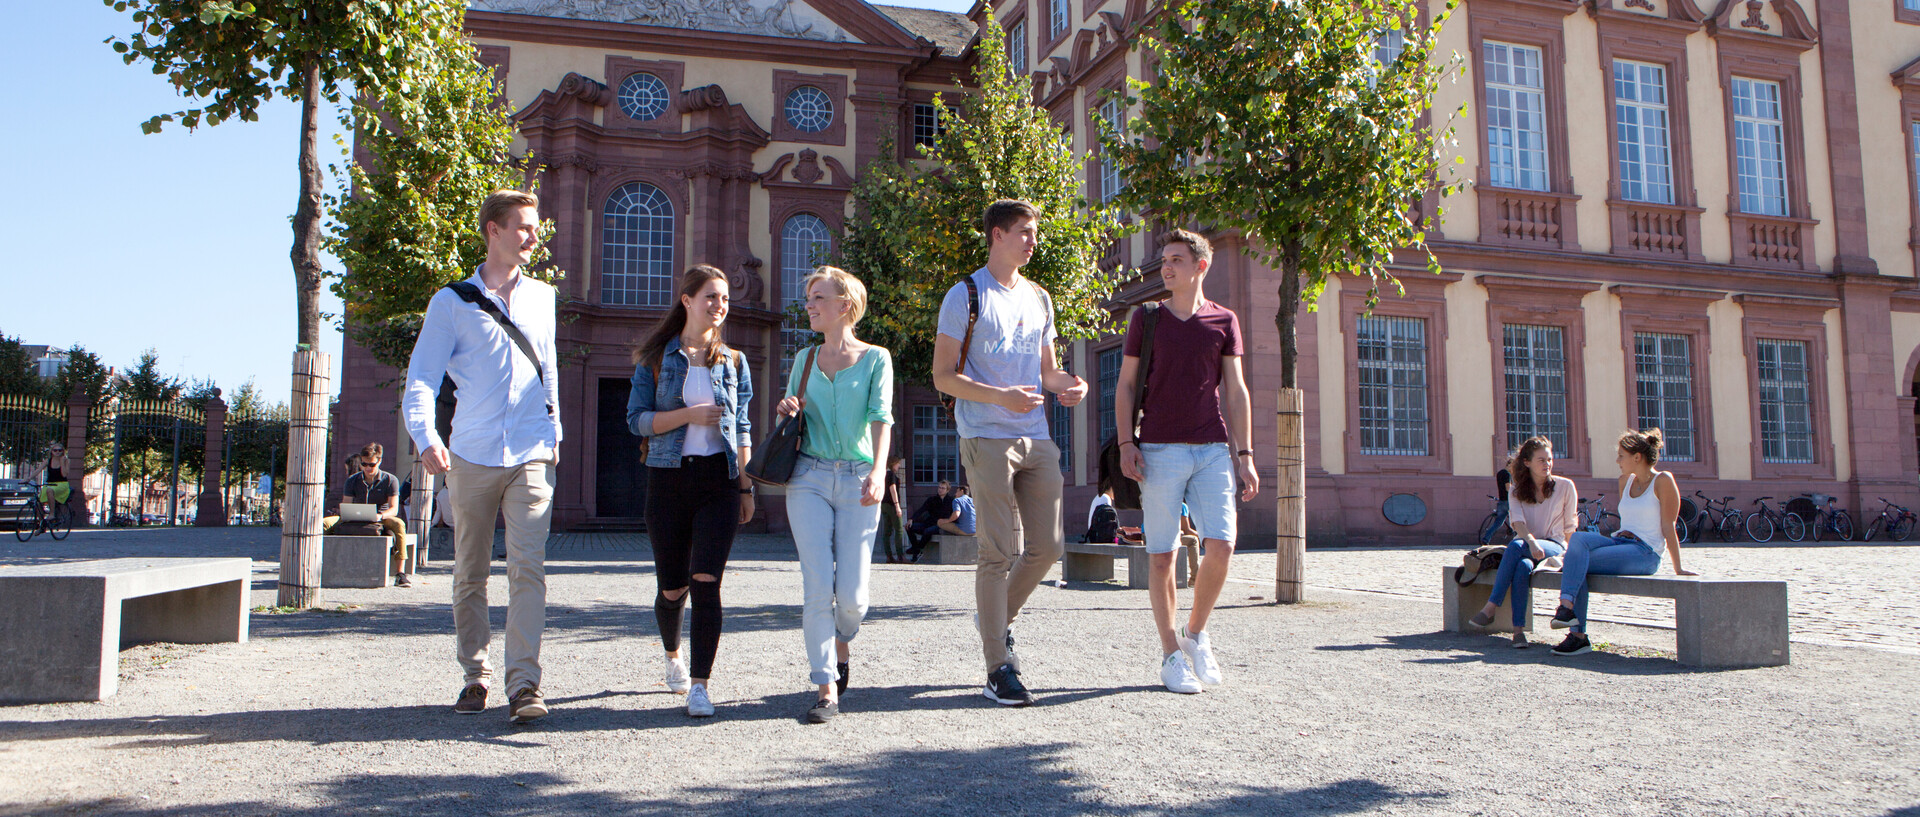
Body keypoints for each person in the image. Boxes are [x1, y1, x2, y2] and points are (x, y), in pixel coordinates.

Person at [402, 188, 562, 724]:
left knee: (528, 569)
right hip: (470, 451)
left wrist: (555, 430)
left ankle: (524, 684)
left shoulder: (544, 297)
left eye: (534, 226)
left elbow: (550, 369)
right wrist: (427, 437)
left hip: (533, 451)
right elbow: (422, 378)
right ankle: (475, 674)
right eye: (522, 226)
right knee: (470, 570)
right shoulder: (451, 302)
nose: (533, 235)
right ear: (493, 230)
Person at [932, 198, 1088, 706]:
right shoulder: (966, 295)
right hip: (985, 432)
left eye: (1034, 232)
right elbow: (943, 376)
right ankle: (998, 666)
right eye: (1023, 231)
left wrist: (1071, 384)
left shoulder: (1040, 297)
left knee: (1048, 548)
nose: (1032, 240)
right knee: (997, 551)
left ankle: (995, 618)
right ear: (997, 235)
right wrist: (1000, 396)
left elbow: (1047, 371)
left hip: (1037, 433)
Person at [1114, 228, 1259, 694]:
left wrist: (1246, 454)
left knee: (1222, 543)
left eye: (1176, 258)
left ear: (1201, 266)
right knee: (1161, 558)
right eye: (1163, 259)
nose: (1166, 266)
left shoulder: (1224, 320)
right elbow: (1126, 385)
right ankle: (1170, 655)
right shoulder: (1147, 319)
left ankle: (1195, 634)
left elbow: (1235, 391)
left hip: (1213, 447)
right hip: (1157, 449)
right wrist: (1125, 443)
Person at [627, 264, 755, 718]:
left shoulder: (734, 361)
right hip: (667, 479)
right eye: (710, 297)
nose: (719, 305)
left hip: (717, 483)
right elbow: (636, 420)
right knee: (673, 587)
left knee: (707, 583)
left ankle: (701, 685)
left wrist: (745, 486)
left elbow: (741, 427)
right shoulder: (656, 357)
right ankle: (672, 656)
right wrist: (688, 416)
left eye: (724, 298)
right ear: (687, 300)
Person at [774, 265, 894, 723]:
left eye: (818, 298)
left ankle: (843, 640)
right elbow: (791, 417)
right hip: (808, 476)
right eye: (808, 298)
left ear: (845, 305)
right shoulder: (804, 360)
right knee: (816, 585)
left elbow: (882, 417)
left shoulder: (875, 358)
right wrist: (788, 407)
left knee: (853, 599)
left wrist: (880, 471)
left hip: (860, 478)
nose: (810, 306)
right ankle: (826, 686)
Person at [1549, 429, 1698, 656]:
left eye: (1621, 456)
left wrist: (1678, 567)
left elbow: (1669, 525)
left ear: (1637, 458)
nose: (1618, 461)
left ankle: (1576, 633)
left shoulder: (1663, 480)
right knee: (1578, 540)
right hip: (1620, 543)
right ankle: (1569, 614)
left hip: (1646, 553)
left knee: (1578, 561)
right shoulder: (1624, 482)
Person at [1468, 436, 1574, 647]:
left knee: (1516, 546)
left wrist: (1569, 556)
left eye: (1550, 460)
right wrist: (1532, 543)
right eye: (1541, 460)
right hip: (1526, 547)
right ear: (1527, 462)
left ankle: (1491, 607)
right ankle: (1518, 632)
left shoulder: (1565, 486)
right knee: (1522, 567)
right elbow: (1517, 523)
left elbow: (1570, 526)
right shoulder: (1516, 490)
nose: (1547, 464)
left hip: (1553, 545)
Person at [320, 442, 413, 587]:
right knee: (324, 523)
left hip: (381, 518)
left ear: (379, 461)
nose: (368, 468)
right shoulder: (352, 480)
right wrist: (347, 513)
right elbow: (347, 505)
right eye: (364, 464)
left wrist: (380, 516)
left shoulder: (390, 480)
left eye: (372, 464)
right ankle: (320, 566)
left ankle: (400, 574)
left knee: (399, 524)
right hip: (354, 516)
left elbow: (394, 509)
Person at [905, 480, 953, 559]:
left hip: (941, 525)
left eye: (943, 488)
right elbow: (922, 509)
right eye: (939, 487)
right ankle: (915, 547)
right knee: (909, 527)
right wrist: (911, 519)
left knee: (928, 531)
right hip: (929, 522)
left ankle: (918, 549)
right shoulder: (932, 499)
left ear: (947, 490)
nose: (940, 489)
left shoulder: (951, 501)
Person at [878, 455, 909, 564]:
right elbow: (893, 490)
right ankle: (900, 556)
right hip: (891, 504)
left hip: (883, 504)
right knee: (899, 530)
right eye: (898, 463)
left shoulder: (882, 474)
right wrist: (897, 505)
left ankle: (889, 556)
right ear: (893, 463)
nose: (899, 465)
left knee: (887, 531)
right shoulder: (891, 474)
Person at [34, 442, 72, 518]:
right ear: (51, 451)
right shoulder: (48, 461)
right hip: (49, 484)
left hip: (61, 485)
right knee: (38, 502)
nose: (57, 452)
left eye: (59, 450)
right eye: (55, 450)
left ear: (62, 451)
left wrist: (62, 463)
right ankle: (41, 524)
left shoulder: (66, 461)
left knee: (49, 490)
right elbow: (38, 470)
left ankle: (52, 514)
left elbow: (64, 474)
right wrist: (28, 479)